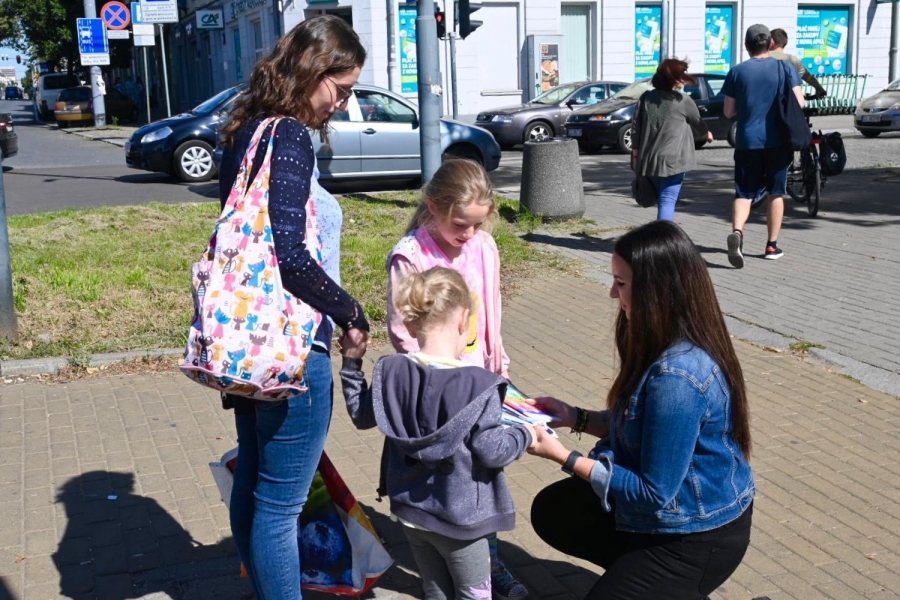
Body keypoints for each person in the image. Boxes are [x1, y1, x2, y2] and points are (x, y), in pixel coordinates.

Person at [216, 15, 369, 600]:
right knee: (281, 508)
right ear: (312, 69)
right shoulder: (289, 136)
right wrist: (351, 313)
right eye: (342, 89)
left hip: (246, 342)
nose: (343, 104)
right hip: (293, 348)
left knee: (256, 487)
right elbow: (292, 258)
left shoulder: (248, 129)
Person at [526, 220, 755, 600]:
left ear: (655, 290)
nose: (611, 293)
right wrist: (573, 416)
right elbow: (636, 426)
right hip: (668, 517)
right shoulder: (658, 339)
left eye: (620, 283)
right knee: (555, 511)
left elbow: (652, 492)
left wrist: (564, 456)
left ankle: (667, 584)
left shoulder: (677, 377)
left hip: (696, 535)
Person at [339, 266, 536, 600]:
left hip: (410, 512)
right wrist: (526, 435)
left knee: (435, 590)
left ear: (412, 324)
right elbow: (492, 450)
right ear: (463, 320)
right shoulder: (481, 385)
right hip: (461, 520)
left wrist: (351, 363)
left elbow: (361, 415)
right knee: (474, 594)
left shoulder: (390, 370)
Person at [386, 159, 528, 599]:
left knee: (483, 478)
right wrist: (438, 380)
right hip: (438, 392)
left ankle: (487, 563)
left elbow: (491, 311)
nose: (468, 234)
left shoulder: (484, 246)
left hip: (480, 384)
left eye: (477, 224)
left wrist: (498, 364)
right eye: (460, 224)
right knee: (446, 479)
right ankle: (450, 565)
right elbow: (402, 329)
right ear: (434, 206)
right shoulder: (411, 255)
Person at [722, 24, 804, 267]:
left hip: (747, 141)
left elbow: (728, 112)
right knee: (775, 193)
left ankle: (737, 233)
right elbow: (799, 102)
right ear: (770, 43)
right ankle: (771, 246)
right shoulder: (785, 68)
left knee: (744, 193)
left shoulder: (737, 72)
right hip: (778, 142)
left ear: (746, 46)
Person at [631, 58, 713, 221]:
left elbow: (635, 129)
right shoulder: (682, 100)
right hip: (673, 161)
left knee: (662, 200)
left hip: (649, 161)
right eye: (681, 75)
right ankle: (663, 234)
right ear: (674, 79)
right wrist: (706, 134)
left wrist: (635, 156)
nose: (684, 79)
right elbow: (697, 122)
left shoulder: (646, 98)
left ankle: (660, 232)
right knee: (667, 200)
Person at [769, 28, 828, 100]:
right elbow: (807, 76)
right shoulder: (792, 60)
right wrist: (818, 88)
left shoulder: (762, 58)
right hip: (788, 102)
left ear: (771, 41)